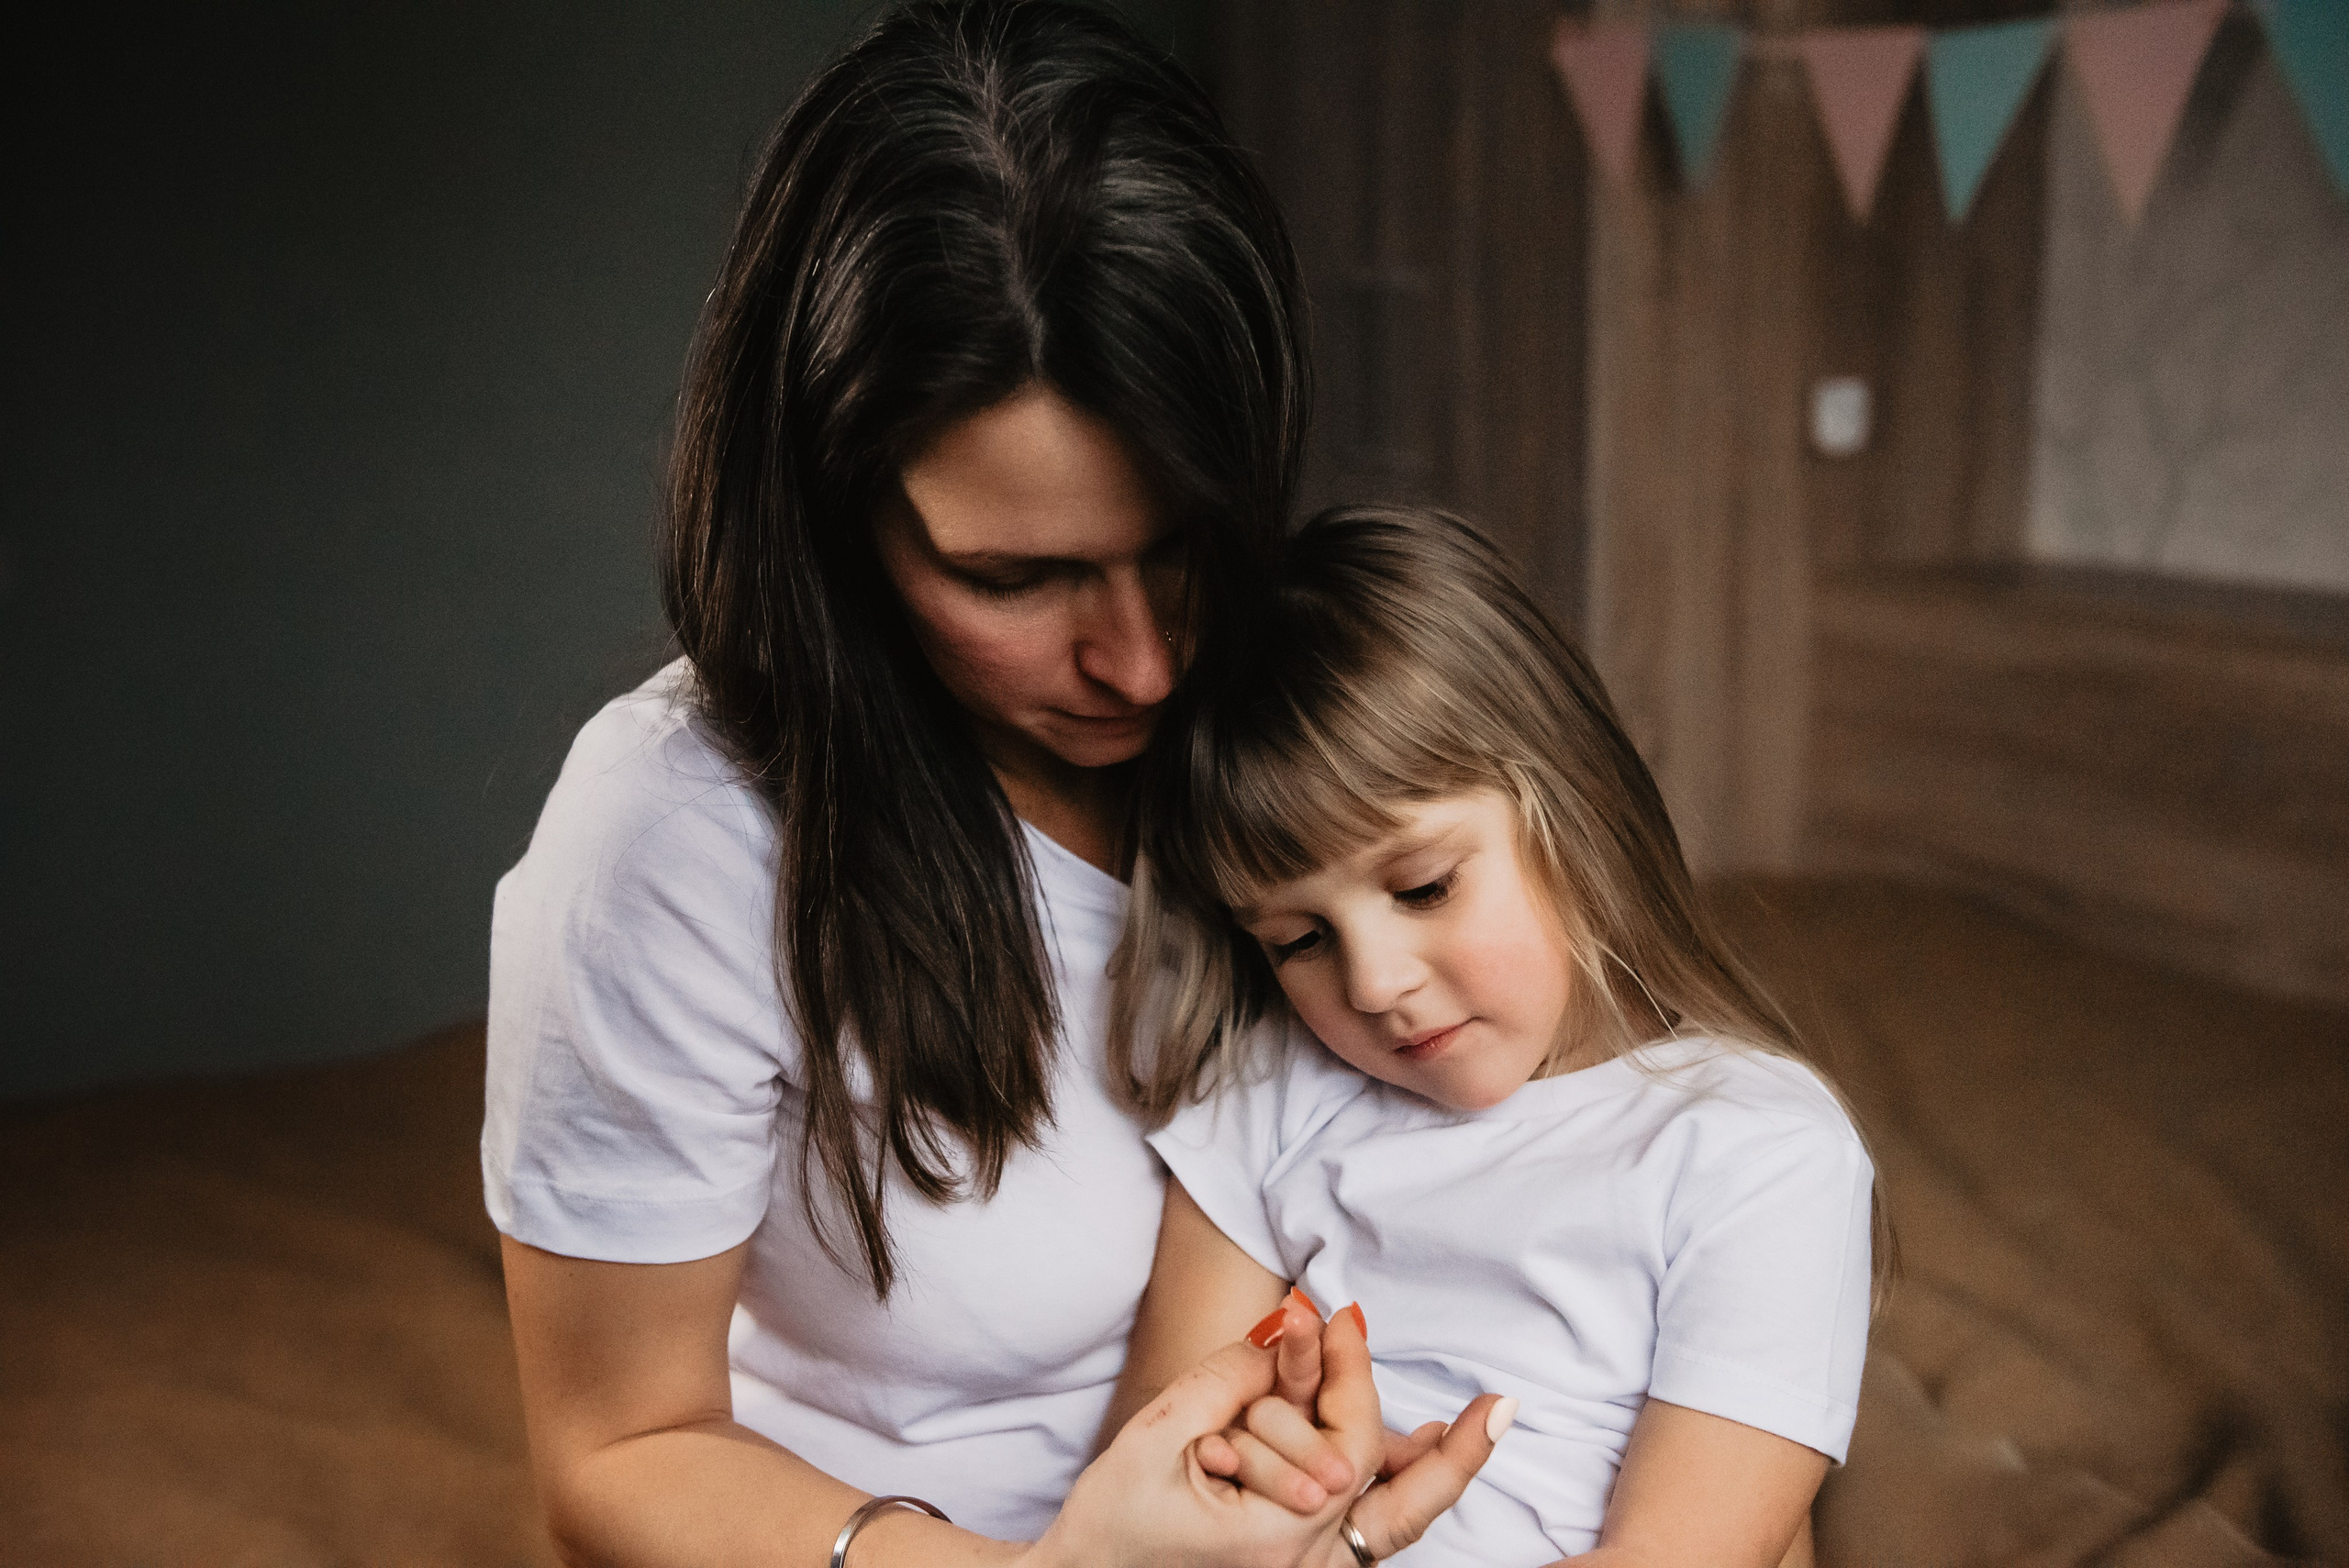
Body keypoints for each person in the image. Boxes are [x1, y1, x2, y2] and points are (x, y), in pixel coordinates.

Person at [482, 5, 1497, 1565]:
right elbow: (616, 1451)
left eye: (1182, 548)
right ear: (840, 520)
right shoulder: (674, 836)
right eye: (1018, 576)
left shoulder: (1317, 699)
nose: (1147, 664)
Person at [1108, 506, 1893, 1566]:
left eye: (1424, 885)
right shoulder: (1275, 1083)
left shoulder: (1755, 1152)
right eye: (1298, 940)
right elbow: (1148, 1468)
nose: (1376, 983)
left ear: (1568, 800)